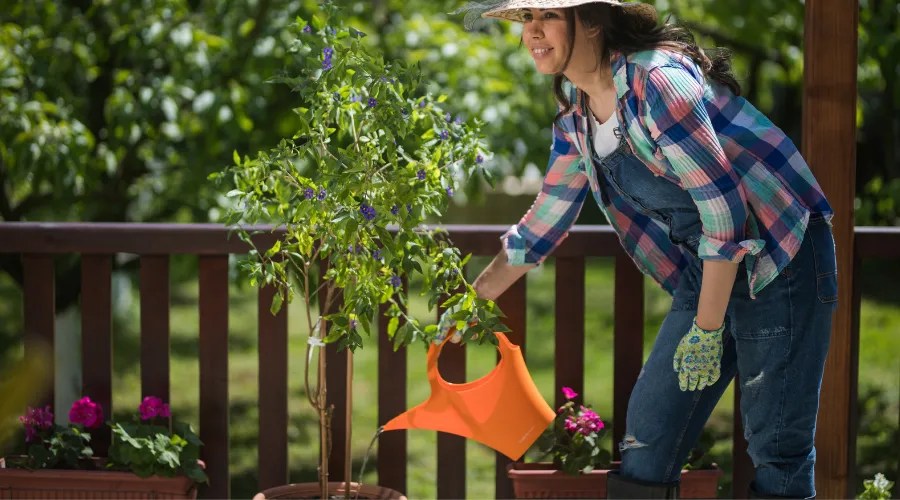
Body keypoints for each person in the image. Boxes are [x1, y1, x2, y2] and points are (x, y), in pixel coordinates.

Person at [437, 0, 838, 498]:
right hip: (708, 268)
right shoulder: (576, 115)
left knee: (777, 447)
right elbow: (541, 226)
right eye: (526, 19)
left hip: (781, 258)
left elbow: (725, 211)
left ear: (592, 20)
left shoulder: (658, 82)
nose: (533, 31)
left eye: (548, 16)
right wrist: (474, 301)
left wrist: (707, 328)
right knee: (648, 437)